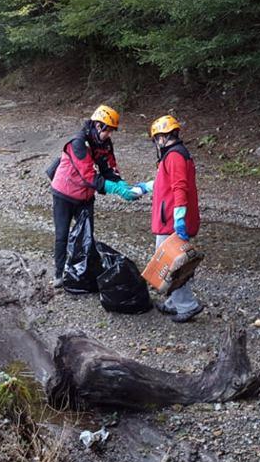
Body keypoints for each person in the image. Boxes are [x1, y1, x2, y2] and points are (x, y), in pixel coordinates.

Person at [49, 104, 139, 288]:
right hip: (64, 194)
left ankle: (85, 270)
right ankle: (59, 273)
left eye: (112, 131)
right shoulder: (78, 143)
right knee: (62, 234)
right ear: (98, 126)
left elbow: (108, 166)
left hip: (85, 196)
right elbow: (89, 176)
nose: (110, 135)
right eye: (108, 131)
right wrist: (116, 190)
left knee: (87, 234)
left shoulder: (104, 143)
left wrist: (119, 182)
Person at [135, 115, 203, 323]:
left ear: (162, 137)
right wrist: (140, 189)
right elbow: (162, 181)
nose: (156, 143)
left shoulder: (174, 156)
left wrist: (179, 220)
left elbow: (179, 188)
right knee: (170, 261)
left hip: (171, 222)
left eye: (156, 139)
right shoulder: (174, 156)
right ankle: (174, 302)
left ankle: (187, 305)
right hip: (170, 219)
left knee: (171, 264)